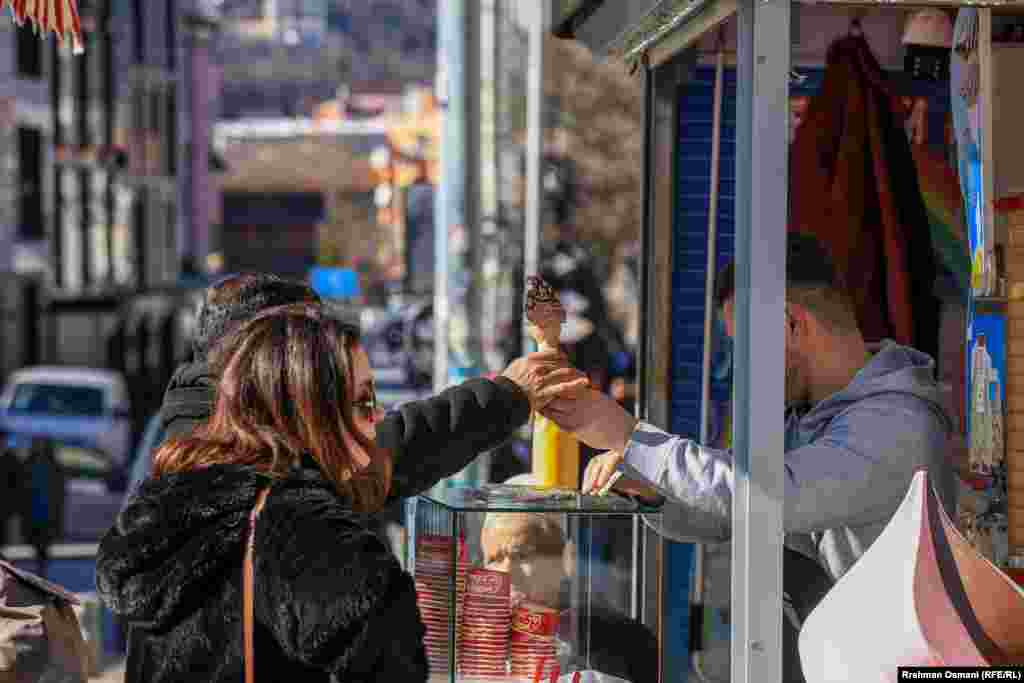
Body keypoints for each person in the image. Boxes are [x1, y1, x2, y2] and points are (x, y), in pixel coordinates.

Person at [541, 232, 957, 682]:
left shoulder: (896, 424)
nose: (740, 368)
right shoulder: (810, 417)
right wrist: (650, 488)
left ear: (790, 324)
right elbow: (728, 511)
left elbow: (768, 496)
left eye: (746, 346)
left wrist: (628, 435)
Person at [97, 303, 580, 683]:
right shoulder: (299, 529)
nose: (378, 418)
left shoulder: (172, 507)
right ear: (312, 409)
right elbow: (386, 649)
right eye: (364, 401)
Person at [152, 273, 584, 504]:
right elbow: (396, 448)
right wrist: (506, 397)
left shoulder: (193, 425)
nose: (370, 418)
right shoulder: (264, 484)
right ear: (269, 358)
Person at [480, 502, 659, 683]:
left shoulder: (621, 640)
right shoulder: (474, 642)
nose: (506, 572)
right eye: (494, 559)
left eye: (522, 555)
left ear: (566, 559)